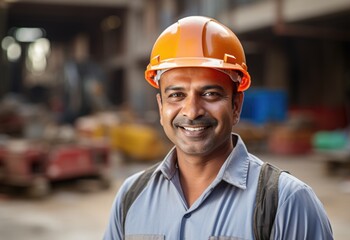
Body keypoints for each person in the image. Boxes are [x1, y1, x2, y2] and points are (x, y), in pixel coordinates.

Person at [104, 16, 333, 240]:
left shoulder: (286, 202)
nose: (192, 111)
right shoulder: (131, 197)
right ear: (160, 106)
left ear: (236, 105)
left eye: (210, 94)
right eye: (176, 95)